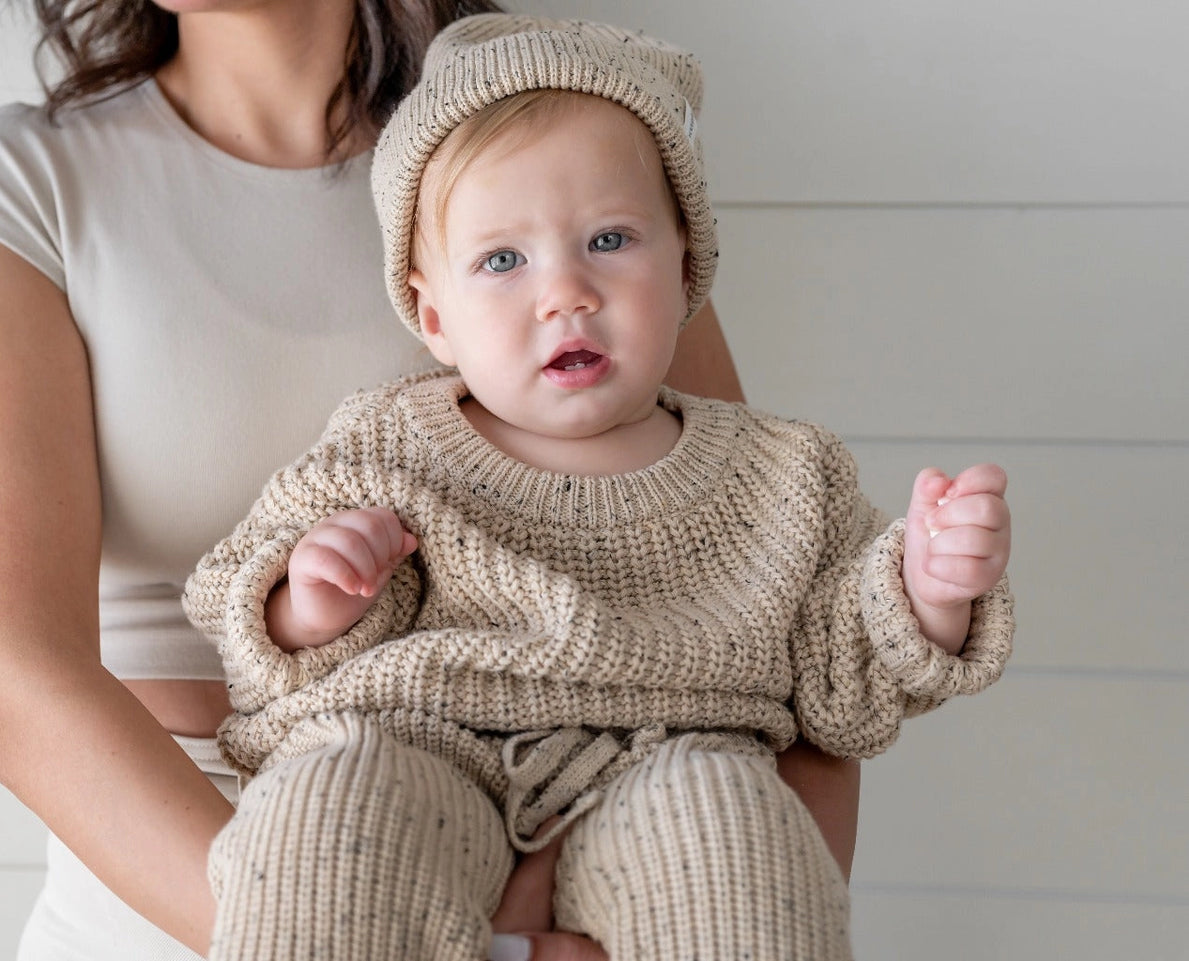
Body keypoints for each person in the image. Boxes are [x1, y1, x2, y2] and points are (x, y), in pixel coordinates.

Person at [0, 2, 814, 959]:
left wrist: (762, 901)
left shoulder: (559, 140)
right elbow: (9, 682)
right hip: (173, 902)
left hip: (585, 888)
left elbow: (770, 601)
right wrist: (335, 932)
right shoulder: (27, 179)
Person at [182, 14, 1015, 961]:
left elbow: (841, 679)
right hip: (413, 739)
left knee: (736, 834)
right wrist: (314, 597)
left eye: (610, 239)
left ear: (688, 264)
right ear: (432, 314)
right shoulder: (388, 443)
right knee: (322, 821)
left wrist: (928, 589)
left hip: (670, 754)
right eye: (503, 259)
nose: (565, 291)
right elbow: (259, 637)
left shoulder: (780, 472)